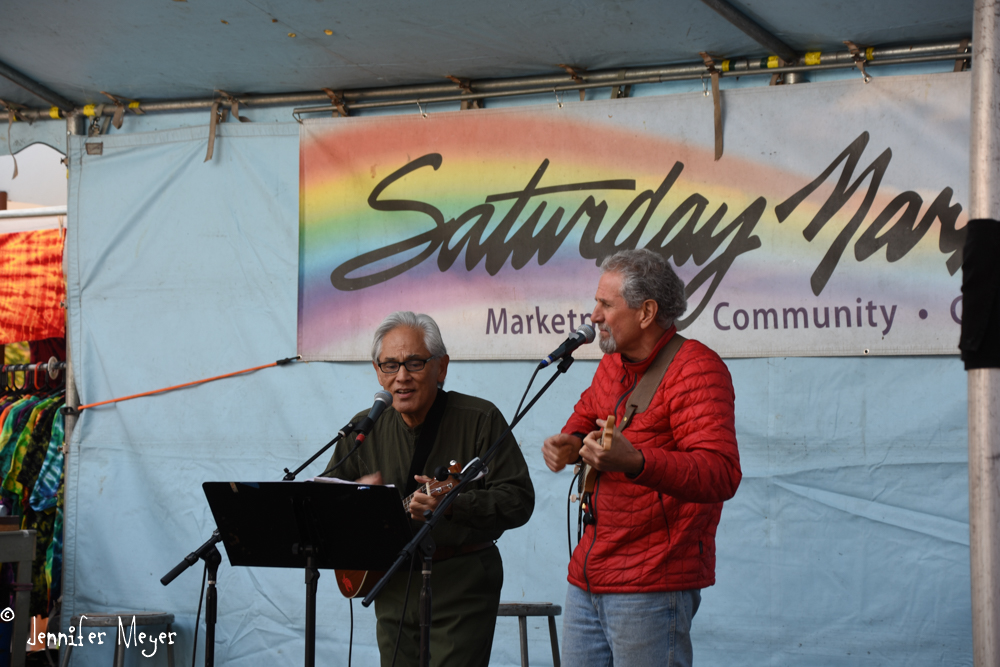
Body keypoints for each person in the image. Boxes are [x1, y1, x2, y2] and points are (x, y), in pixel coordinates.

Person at [541, 248, 741, 667]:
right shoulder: (612, 364)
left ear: (646, 312)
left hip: (653, 580)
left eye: (606, 304)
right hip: (589, 574)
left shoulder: (697, 370)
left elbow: (721, 474)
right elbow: (582, 419)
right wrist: (569, 443)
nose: (593, 315)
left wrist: (636, 462)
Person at [327, 311, 534, 667]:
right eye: (390, 365)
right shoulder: (364, 428)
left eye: (415, 363)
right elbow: (326, 499)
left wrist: (454, 505)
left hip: (462, 581)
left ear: (442, 367)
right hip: (391, 583)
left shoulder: (480, 419)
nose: (401, 377)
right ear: (377, 371)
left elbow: (518, 500)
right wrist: (354, 500)